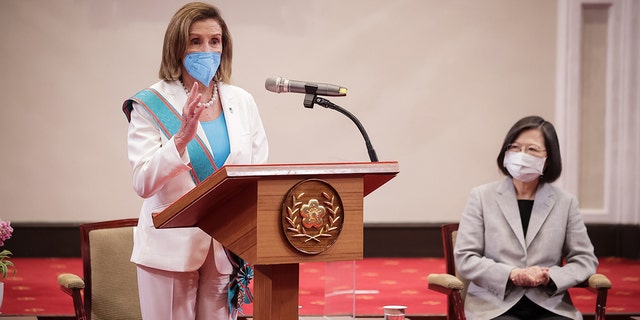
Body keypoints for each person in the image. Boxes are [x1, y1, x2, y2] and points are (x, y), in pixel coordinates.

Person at [121, 2, 268, 319]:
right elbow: (143, 182)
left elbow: (257, 173)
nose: (207, 50)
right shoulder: (150, 104)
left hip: (224, 249)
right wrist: (182, 139)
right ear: (177, 47)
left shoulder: (242, 102)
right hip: (169, 252)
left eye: (214, 41)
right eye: (195, 41)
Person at [454, 115, 598, 320]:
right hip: (493, 304)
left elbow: (584, 259)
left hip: (549, 303)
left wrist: (551, 277)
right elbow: (466, 258)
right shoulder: (481, 196)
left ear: (548, 160)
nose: (521, 155)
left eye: (532, 149)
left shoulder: (565, 202)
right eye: (514, 147)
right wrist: (512, 274)